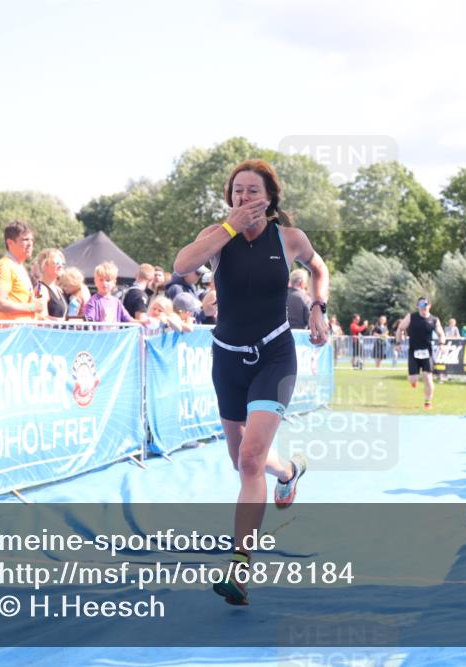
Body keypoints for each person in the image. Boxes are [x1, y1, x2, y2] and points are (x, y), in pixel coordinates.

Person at [173, 159, 329, 606]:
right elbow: (182, 265)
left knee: (250, 455)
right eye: (236, 191)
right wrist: (227, 225)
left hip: (275, 356)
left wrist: (319, 308)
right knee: (243, 462)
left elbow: (320, 270)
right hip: (227, 359)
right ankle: (290, 471)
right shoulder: (217, 235)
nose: (243, 198)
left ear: (269, 198)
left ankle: (240, 568)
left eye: (251, 191)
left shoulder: (289, 238)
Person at [0, 221, 46, 325]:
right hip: (12, 335)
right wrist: (32, 307)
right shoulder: (5, 266)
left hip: (23, 334)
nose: (30, 244)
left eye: (31, 240)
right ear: (10, 242)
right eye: (25, 239)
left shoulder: (19, 267)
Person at [395, 296, 445, 409]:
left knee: (428, 377)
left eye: (425, 305)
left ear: (429, 306)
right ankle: (414, 381)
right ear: (418, 306)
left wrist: (442, 344)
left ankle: (428, 402)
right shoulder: (411, 317)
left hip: (427, 353)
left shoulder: (434, 320)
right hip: (413, 352)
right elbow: (400, 329)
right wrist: (398, 343)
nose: (423, 308)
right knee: (413, 378)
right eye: (421, 305)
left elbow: (441, 333)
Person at [34, 248, 68, 320]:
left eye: (62, 263)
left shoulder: (58, 289)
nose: (60, 266)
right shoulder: (40, 289)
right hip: (47, 331)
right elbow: (40, 317)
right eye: (56, 262)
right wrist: (63, 321)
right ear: (44, 265)